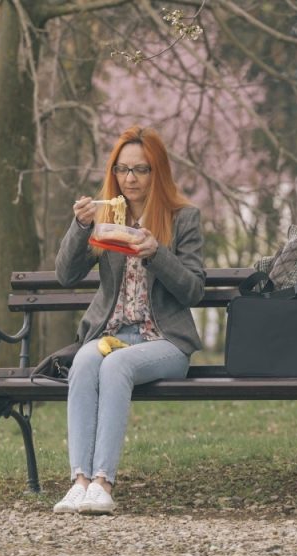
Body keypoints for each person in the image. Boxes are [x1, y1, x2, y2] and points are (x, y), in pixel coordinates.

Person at [53, 125, 205, 514]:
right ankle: (80, 482)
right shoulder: (106, 216)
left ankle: (103, 481)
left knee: (116, 365)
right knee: (85, 360)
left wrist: (157, 252)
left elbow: (193, 290)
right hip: (110, 335)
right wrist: (81, 226)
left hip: (164, 342)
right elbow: (65, 275)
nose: (130, 179)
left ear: (158, 172)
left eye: (140, 170)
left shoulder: (182, 218)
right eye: (122, 170)